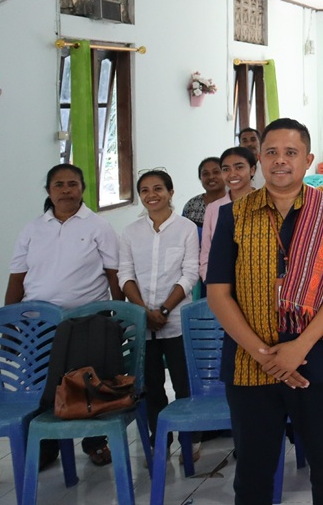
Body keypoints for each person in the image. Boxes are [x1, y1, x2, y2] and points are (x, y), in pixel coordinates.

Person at [206, 118, 323, 505]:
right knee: (253, 473)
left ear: (307, 160)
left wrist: (298, 347)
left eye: (290, 153)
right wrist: (265, 354)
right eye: (272, 152)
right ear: (259, 159)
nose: (281, 161)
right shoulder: (233, 216)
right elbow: (217, 293)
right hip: (249, 363)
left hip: (318, 360)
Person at [6, 164, 122, 468]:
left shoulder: (98, 226)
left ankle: (95, 442)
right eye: (59, 185)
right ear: (48, 191)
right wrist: (11, 321)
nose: (66, 190)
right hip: (38, 324)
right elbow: (17, 279)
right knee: (45, 386)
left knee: (89, 384)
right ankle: (48, 447)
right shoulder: (32, 229)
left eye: (73, 184)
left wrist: (119, 316)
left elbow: (114, 275)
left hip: (88, 319)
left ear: (82, 189)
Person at [118, 170, 200, 461]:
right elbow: (125, 274)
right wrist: (142, 310)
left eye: (158, 189)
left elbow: (190, 274)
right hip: (143, 322)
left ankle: (190, 439)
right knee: (152, 386)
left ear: (170, 192)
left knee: (183, 382)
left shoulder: (186, 228)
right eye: (144, 191)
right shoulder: (130, 232)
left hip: (176, 320)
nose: (151, 195)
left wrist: (164, 309)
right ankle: (159, 440)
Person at [200, 147, 258, 280]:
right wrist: (210, 281)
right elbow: (206, 252)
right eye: (226, 169)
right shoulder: (213, 208)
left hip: (257, 282)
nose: (232, 174)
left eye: (239, 167)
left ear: (252, 170)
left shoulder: (266, 203)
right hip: (222, 283)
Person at [182, 157, 224, 227]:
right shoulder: (192, 205)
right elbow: (183, 232)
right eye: (205, 174)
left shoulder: (235, 202)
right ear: (200, 178)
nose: (211, 177)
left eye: (216, 172)